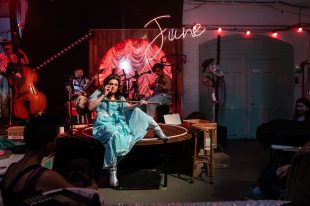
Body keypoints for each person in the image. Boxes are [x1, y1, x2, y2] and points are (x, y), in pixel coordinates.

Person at [88, 74, 168, 187]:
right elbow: (91, 107)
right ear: (106, 84)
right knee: (115, 134)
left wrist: (138, 104)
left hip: (117, 122)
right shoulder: (98, 93)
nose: (113, 86)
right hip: (103, 123)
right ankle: (113, 170)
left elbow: (127, 108)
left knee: (137, 111)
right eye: (110, 84)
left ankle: (155, 127)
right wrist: (104, 95)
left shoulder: (119, 97)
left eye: (115, 85)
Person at [0, 115, 73, 205]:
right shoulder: (46, 177)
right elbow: (79, 196)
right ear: (49, 144)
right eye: (55, 139)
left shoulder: (11, 169)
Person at [0, 39, 29, 126]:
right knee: (4, 97)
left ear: (11, 46)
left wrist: (22, 53)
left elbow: (27, 62)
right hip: (4, 77)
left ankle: (21, 116)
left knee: (15, 97)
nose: (6, 47)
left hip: (14, 79)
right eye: (4, 46)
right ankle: (5, 119)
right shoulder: (1, 56)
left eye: (8, 45)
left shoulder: (15, 57)